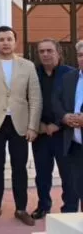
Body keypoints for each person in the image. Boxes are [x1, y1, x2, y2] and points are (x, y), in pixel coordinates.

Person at [0, 26, 41, 226]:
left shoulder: (27, 66)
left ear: (15, 42)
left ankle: (21, 208)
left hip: (20, 123)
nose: (5, 43)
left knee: (19, 167)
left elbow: (35, 98)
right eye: (1, 40)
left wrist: (32, 126)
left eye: (9, 39)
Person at [33, 39, 77, 218]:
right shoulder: (33, 73)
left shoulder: (71, 74)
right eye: (41, 51)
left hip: (64, 133)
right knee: (42, 174)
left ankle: (70, 209)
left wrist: (58, 124)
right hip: (41, 133)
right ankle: (43, 206)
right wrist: (39, 125)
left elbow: (73, 102)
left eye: (49, 50)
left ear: (59, 52)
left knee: (68, 175)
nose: (45, 54)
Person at [54, 40, 83, 213]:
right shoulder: (69, 78)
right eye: (80, 55)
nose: (82, 59)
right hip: (75, 145)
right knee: (79, 187)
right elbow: (56, 102)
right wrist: (64, 117)